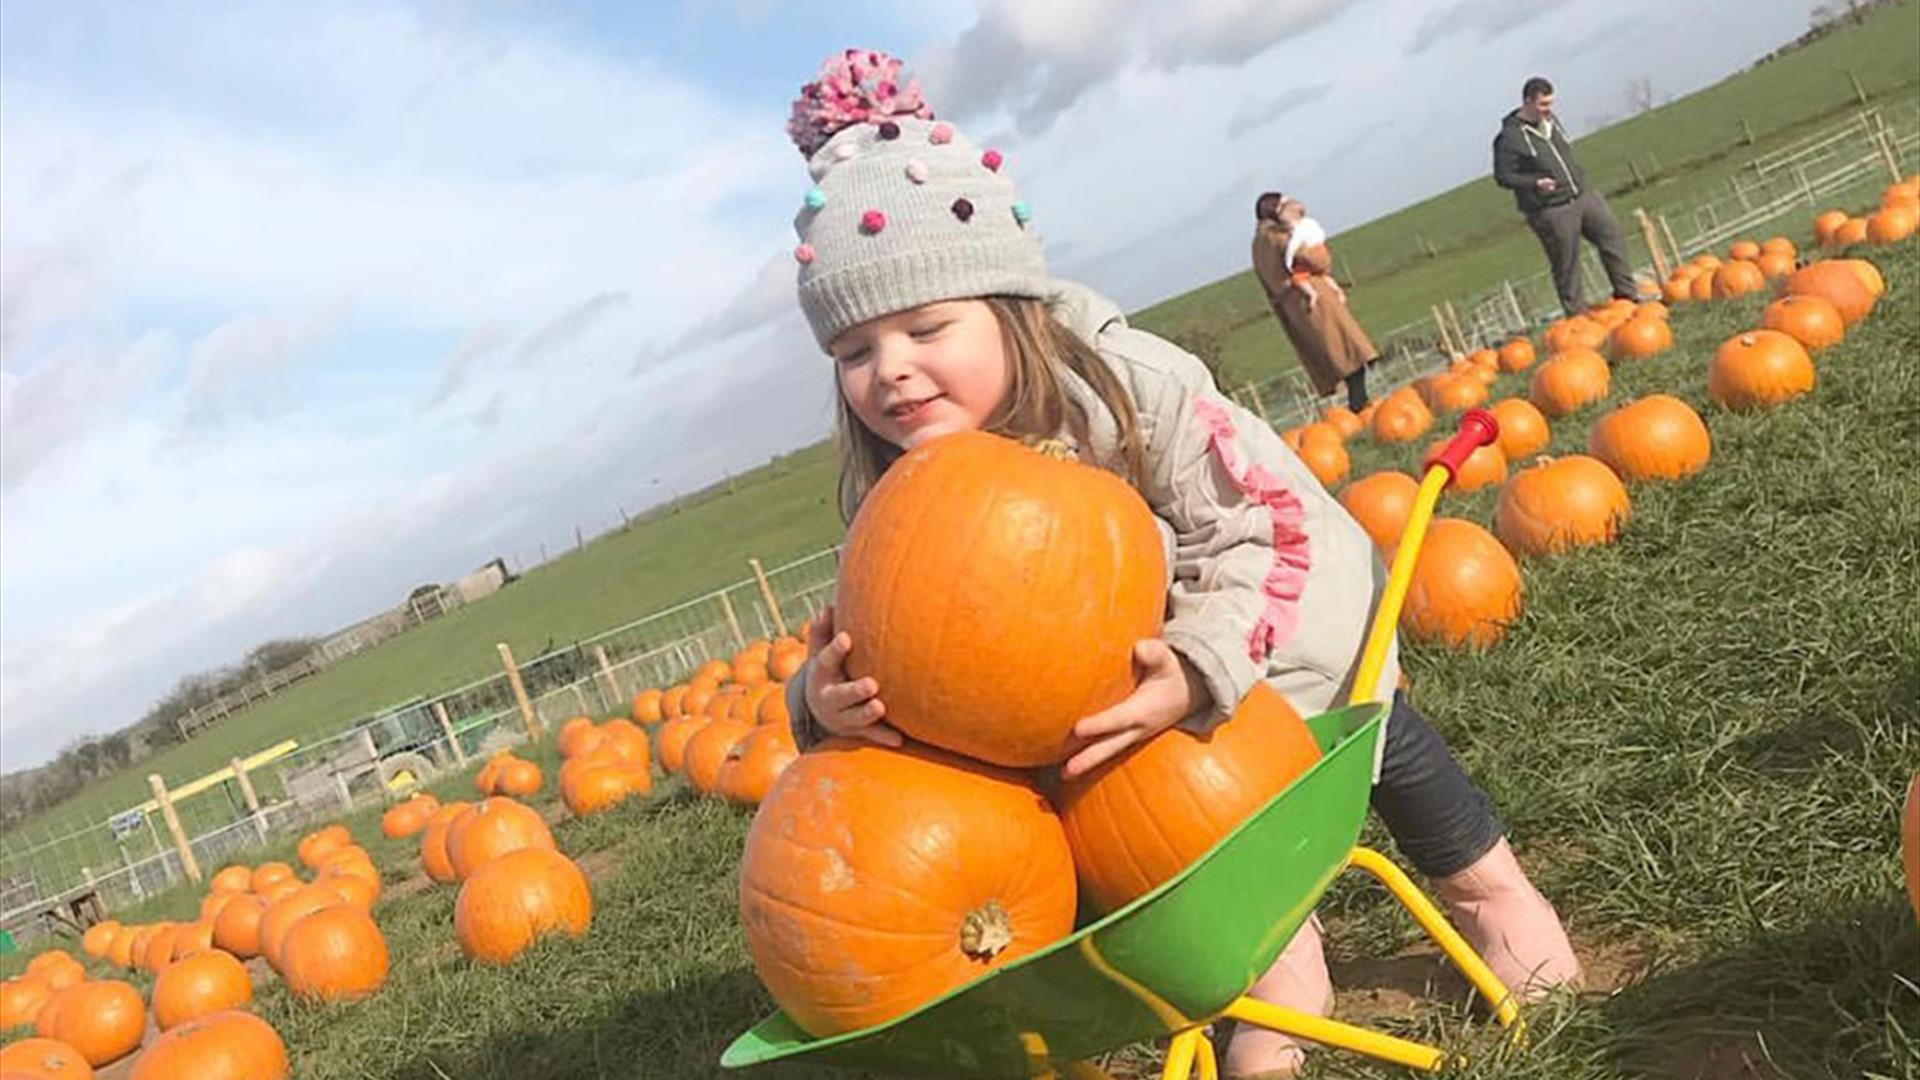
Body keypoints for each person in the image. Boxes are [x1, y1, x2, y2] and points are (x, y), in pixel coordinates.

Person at [779, 48, 1581, 1078]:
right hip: (1120, 744)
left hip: (1276, 645)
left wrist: (1203, 658)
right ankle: (1276, 962)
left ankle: (1486, 889)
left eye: (926, 326)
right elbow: (896, 640)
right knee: (1190, 845)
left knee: (1374, 743)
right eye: (854, 352)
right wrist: (824, 699)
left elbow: (1267, 524)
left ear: (1008, 307)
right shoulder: (890, 486)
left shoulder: (1127, 386)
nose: (890, 369)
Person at [1493, 76, 1651, 315]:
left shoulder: (1551, 121)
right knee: (1566, 262)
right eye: (1543, 105)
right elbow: (1503, 176)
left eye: (1550, 103)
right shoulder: (1509, 138)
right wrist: (1534, 183)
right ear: (1527, 102)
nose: (1549, 109)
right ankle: (1578, 316)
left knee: (1612, 235)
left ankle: (1627, 293)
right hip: (1550, 209)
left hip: (1582, 195)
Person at [1250, 192, 1378, 411]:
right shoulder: (1279, 236)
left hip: (1293, 304)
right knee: (1348, 353)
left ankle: (1359, 403)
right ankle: (1359, 406)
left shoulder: (1258, 243)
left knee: (1338, 354)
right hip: (1312, 299)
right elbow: (1313, 259)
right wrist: (1321, 256)